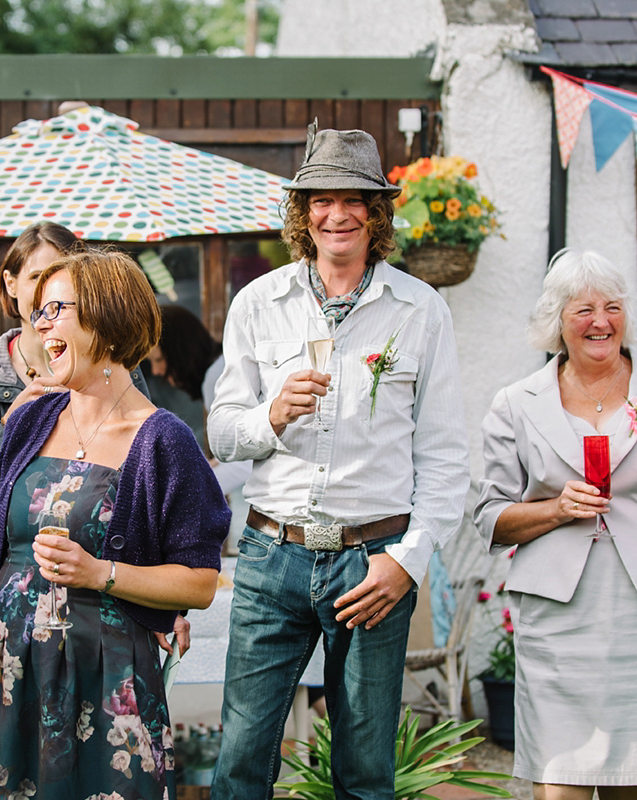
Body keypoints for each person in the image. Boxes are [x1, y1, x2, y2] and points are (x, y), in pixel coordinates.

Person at [207, 126, 469, 800]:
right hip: (273, 556)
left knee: (364, 770)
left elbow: (445, 460)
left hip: (372, 561)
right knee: (240, 758)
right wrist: (271, 414)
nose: (338, 214)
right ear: (305, 213)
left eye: (354, 199)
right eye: (322, 199)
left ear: (376, 212)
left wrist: (405, 563)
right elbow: (223, 432)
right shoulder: (258, 303)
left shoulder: (420, 311)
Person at [0, 249, 230, 799]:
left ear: (108, 319)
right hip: (5, 665)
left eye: (55, 311)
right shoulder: (28, 419)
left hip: (104, 670)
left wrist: (101, 573)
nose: (40, 324)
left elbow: (200, 582)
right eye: (38, 312)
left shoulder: (164, 440)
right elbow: (2, 546)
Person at [475, 248, 637, 798]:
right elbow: (489, 517)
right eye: (583, 310)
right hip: (559, 619)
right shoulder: (516, 403)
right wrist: (555, 509)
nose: (601, 322)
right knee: (559, 780)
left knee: (636, 780)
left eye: (613, 307)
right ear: (556, 320)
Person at [0, 222, 156, 741]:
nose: (47, 300)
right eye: (37, 279)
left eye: (65, 290)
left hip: (93, 596)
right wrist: (14, 425)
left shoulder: (113, 370)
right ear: (11, 285)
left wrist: (156, 596)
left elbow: (145, 485)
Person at [144, 304, 221, 450]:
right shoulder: (219, 369)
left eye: (159, 359)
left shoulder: (216, 379)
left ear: (180, 352)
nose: (156, 371)